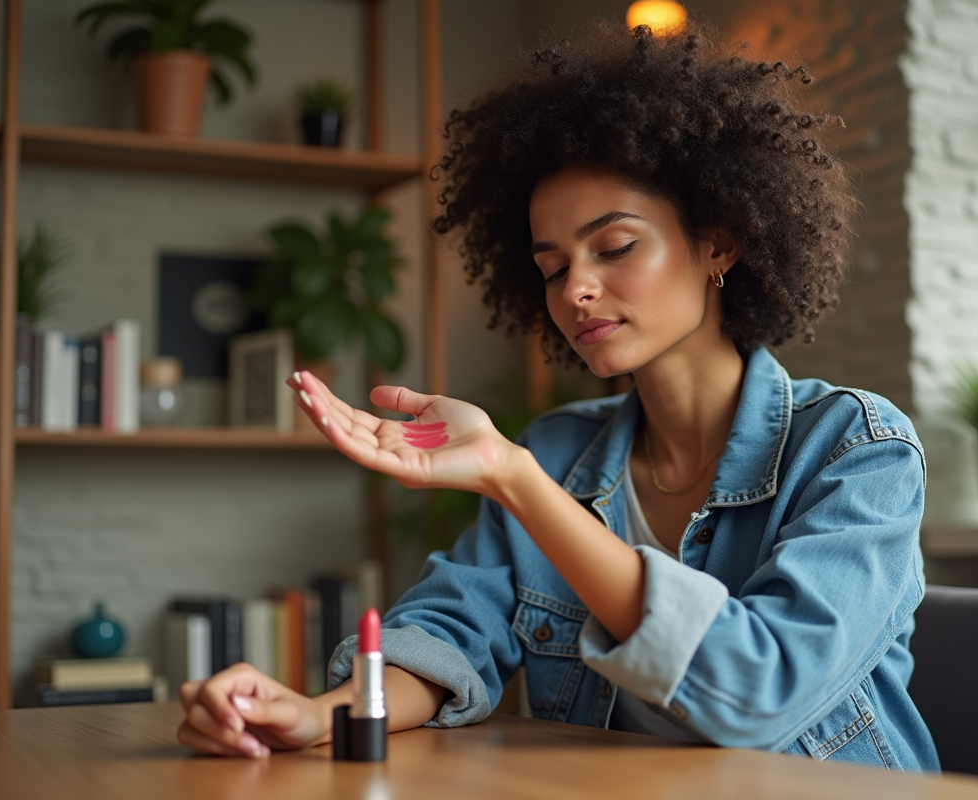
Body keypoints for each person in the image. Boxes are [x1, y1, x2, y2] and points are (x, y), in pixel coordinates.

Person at [177, 21, 939, 771]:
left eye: (615, 248)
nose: (576, 288)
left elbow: (758, 690)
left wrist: (513, 480)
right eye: (551, 267)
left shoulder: (857, 449)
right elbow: (451, 631)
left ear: (719, 243)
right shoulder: (557, 451)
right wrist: (319, 716)